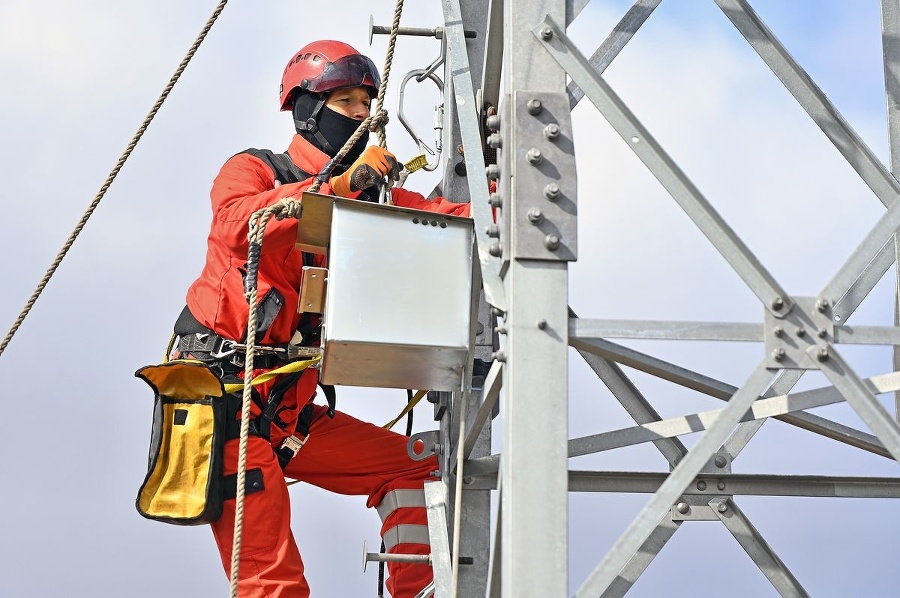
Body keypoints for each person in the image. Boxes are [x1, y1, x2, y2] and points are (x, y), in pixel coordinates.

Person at [172, 39, 470, 597]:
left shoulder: (368, 194)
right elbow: (238, 226)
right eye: (348, 102)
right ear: (308, 110)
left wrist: (508, 191)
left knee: (416, 468)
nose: (363, 114)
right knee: (274, 585)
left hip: (287, 417)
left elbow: (451, 219)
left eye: (366, 103)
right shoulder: (256, 170)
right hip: (227, 406)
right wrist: (333, 188)